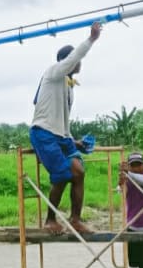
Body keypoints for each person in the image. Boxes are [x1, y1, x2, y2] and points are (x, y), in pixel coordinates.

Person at [29, 21, 103, 235]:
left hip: (60, 136)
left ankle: (76, 219)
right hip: (43, 133)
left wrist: (74, 141)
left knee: (78, 172)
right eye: (75, 60)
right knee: (62, 174)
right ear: (67, 62)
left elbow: (63, 121)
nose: (79, 63)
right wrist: (92, 39)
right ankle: (50, 220)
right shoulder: (53, 73)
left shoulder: (69, 87)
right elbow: (73, 57)